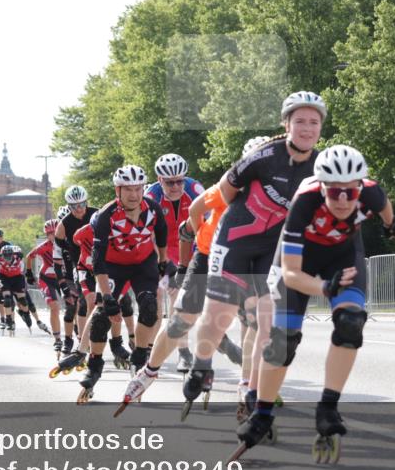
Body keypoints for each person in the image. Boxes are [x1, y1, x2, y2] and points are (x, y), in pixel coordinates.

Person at [233, 145, 395, 464]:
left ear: (361, 185)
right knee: (282, 341)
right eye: (334, 191)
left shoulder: (372, 194)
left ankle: (328, 407)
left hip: (343, 255)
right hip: (298, 263)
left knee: (351, 324)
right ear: (321, 186)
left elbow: (387, 211)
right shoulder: (304, 202)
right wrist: (324, 287)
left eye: (351, 191)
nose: (343, 199)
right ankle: (262, 412)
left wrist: (392, 228)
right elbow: (292, 274)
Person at [182, 91, 326, 417]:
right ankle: (201, 364)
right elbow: (224, 191)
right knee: (218, 315)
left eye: (313, 122)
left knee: (268, 323)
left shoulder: (320, 167)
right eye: (299, 121)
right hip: (235, 239)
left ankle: (252, 391)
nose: (306, 128)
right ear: (285, 124)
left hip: (272, 250)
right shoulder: (264, 156)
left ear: (320, 128)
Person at [117, 138, 270, 414]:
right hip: (206, 252)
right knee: (181, 318)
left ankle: (247, 385)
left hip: (244, 258)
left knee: (253, 319)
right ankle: (149, 371)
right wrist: (185, 269)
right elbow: (190, 222)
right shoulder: (226, 187)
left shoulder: (279, 192)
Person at [77, 165, 168, 404]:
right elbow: (97, 261)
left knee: (149, 308)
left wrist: (164, 261)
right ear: (118, 190)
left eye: (138, 188)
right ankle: (94, 365)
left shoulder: (153, 209)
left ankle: (139, 357)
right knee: (101, 318)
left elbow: (162, 234)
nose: (134, 194)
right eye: (128, 189)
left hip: (143, 264)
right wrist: (107, 297)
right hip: (113, 266)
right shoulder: (105, 216)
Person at [144, 153, 205, 371]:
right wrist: (162, 262)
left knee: (187, 300)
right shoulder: (150, 196)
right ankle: (173, 350)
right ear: (160, 180)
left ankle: (182, 350)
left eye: (180, 181)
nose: (176, 186)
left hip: (191, 245)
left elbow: (208, 224)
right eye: (170, 183)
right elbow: (147, 234)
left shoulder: (195, 189)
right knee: (168, 297)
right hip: (163, 248)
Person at [54, 186, 98, 358]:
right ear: (69, 206)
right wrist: (64, 284)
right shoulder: (63, 225)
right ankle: (81, 341)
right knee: (84, 302)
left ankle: (117, 342)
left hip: (101, 262)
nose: (79, 209)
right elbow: (58, 257)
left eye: (82, 204)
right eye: (74, 206)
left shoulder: (97, 214)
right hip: (80, 266)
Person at [27, 219, 64, 354]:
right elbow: (29, 256)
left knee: (76, 306)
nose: (53, 236)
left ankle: (77, 335)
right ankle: (58, 338)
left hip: (62, 278)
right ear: (47, 235)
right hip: (47, 279)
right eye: (50, 233)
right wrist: (29, 273)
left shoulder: (66, 244)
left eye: (55, 232)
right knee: (54, 307)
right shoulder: (44, 247)